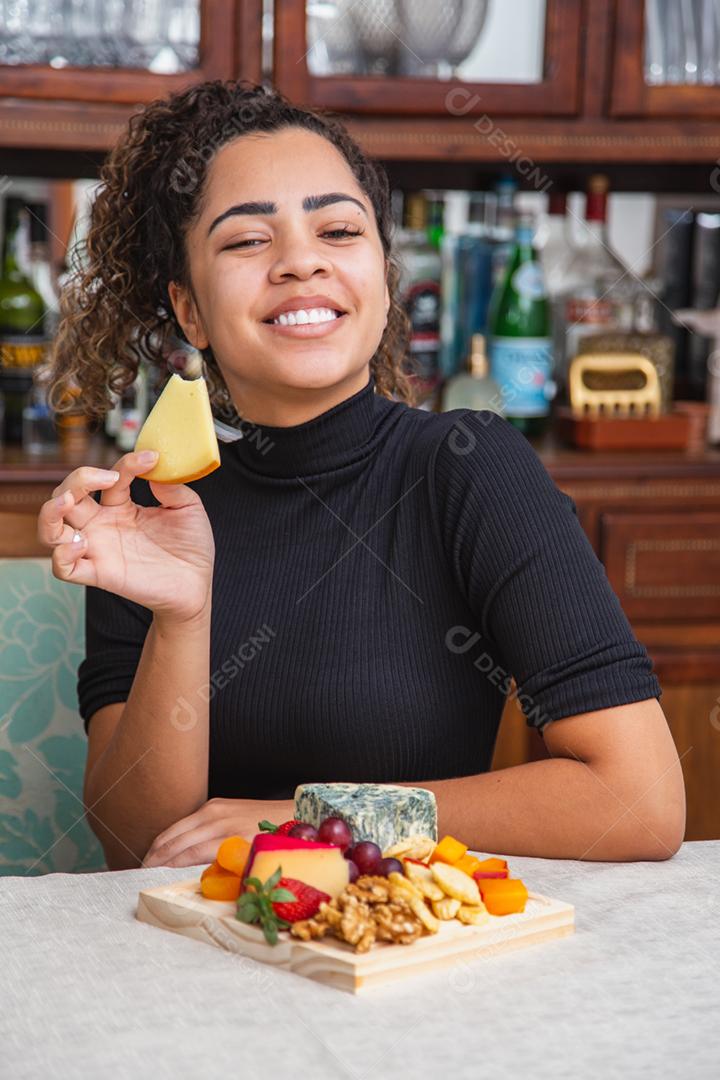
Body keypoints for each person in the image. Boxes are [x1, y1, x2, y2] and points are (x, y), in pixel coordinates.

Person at [39, 81, 685, 871]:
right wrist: (182, 614)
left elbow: (640, 802)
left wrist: (316, 819)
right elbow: (139, 846)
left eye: (338, 230)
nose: (301, 261)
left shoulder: (468, 471)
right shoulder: (142, 517)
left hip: (409, 960)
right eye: (246, 242)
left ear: (383, 278)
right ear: (190, 310)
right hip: (199, 967)